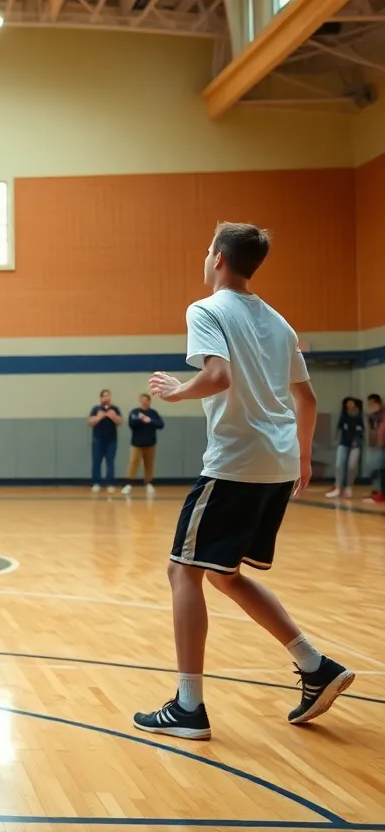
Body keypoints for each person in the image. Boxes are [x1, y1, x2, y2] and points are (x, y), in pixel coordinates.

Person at [133, 223, 353, 741]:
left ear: (218, 261)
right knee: (224, 574)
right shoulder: (279, 322)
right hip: (276, 464)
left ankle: (189, 706)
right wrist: (302, 457)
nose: (205, 256)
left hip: (236, 461)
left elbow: (218, 377)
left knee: (182, 572)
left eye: (208, 249)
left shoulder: (206, 309)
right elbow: (309, 398)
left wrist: (176, 390)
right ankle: (315, 664)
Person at [122, 394, 164, 495]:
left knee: (149, 464)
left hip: (150, 443)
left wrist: (149, 421)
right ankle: (128, 484)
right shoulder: (135, 412)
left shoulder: (153, 413)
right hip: (136, 444)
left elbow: (160, 424)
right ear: (140, 401)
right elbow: (131, 423)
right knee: (133, 463)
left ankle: (149, 483)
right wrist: (140, 419)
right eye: (143, 400)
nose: (144, 402)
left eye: (146, 400)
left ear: (149, 401)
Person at [326, 397, 364, 499]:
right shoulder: (343, 415)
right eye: (348, 403)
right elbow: (339, 428)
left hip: (356, 444)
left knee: (352, 466)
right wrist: (335, 440)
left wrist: (358, 441)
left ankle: (348, 488)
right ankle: (337, 487)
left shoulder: (360, 415)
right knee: (339, 465)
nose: (350, 405)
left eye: (351, 403)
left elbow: (363, 430)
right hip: (343, 443)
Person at [88, 390, 122, 493]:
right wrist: (99, 417)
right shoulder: (96, 409)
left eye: (108, 396)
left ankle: (110, 483)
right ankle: (96, 483)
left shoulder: (115, 409)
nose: (106, 398)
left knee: (110, 462)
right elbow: (90, 422)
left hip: (111, 440)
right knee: (96, 462)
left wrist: (113, 416)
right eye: (104, 396)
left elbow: (120, 421)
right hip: (98, 440)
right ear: (101, 398)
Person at [364, 394, 383, 503]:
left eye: (372, 403)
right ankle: (376, 490)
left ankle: (379, 491)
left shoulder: (381, 415)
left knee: (378, 468)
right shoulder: (371, 416)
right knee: (373, 467)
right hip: (373, 444)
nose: (370, 406)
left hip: (380, 444)